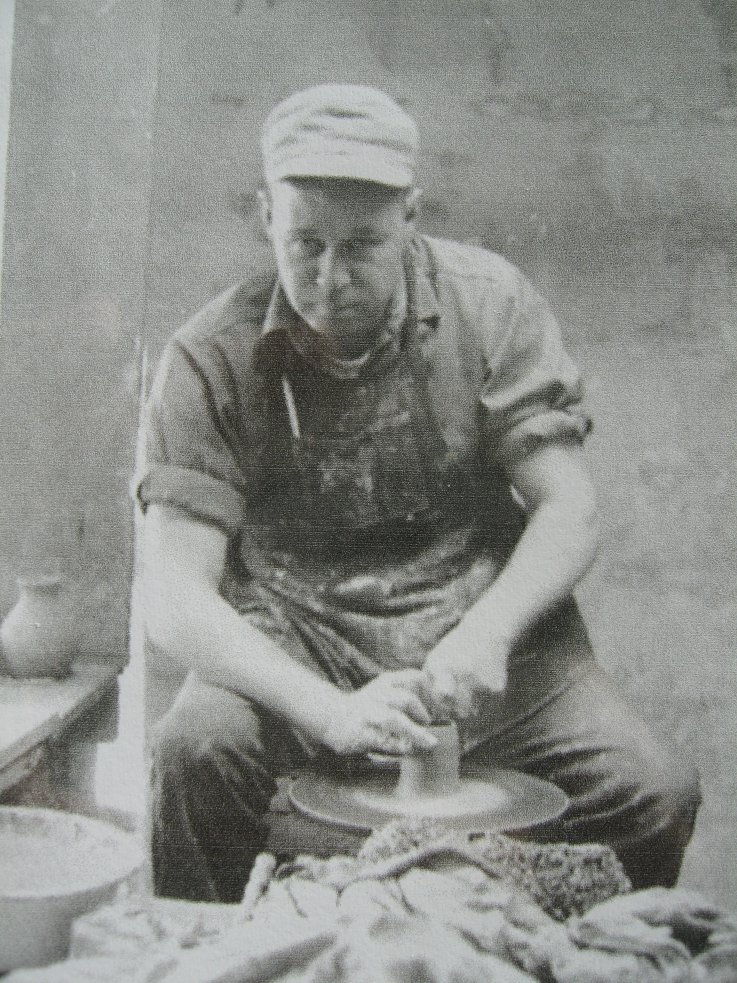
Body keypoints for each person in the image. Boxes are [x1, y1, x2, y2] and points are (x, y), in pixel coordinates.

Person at [137, 84, 701, 903]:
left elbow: (569, 508)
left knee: (652, 791)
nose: (330, 278)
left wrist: (488, 632)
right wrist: (327, 710)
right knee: (194, 752)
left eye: (362, 244)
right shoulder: (209, 356)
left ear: (410, 216)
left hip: (478, 636)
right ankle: (213, 953)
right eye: (305, 244)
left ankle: (534, 949)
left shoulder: (490, 305)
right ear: (265, 217)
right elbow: (173, 596)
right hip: (296, 641)